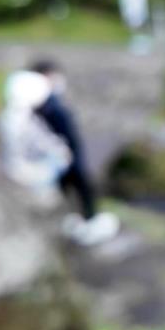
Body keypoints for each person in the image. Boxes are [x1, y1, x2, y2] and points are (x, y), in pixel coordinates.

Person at [29, 60, 119, 245]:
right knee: (77, 187)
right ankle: (85, 223)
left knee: (80, 188)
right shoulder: (42, 105)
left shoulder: (50, 102)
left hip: (67, 155)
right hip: (61, 158)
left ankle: (86, 220)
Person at [0, 70, 72, 204]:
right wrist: (60, 149)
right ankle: (45, 193)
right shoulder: (23, 120)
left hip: (16, 166)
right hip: (29, 170)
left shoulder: (8, 117)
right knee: (61, 157)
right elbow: (39, 143)